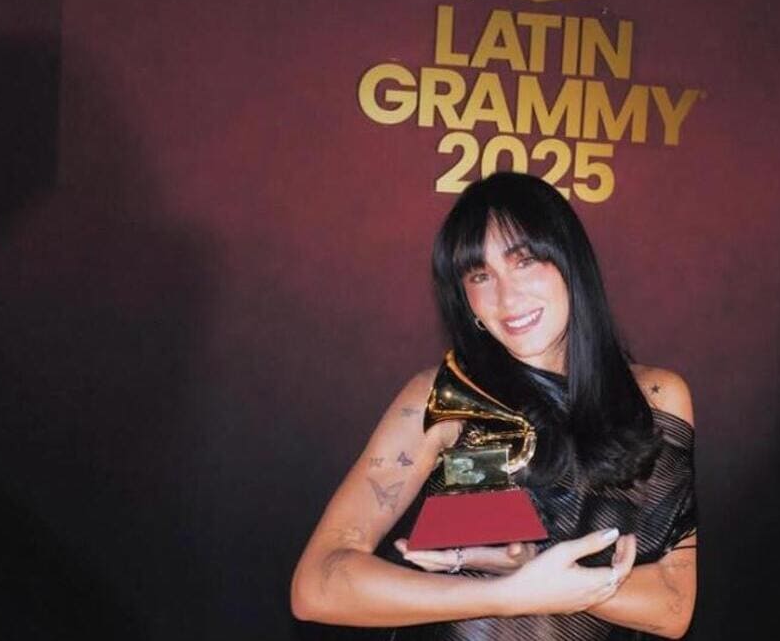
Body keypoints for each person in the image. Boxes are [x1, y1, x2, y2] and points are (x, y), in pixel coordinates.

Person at [291, 172, 696, 639]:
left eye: (524, 263)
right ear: (467, 301)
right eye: (481, 276)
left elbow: (673, 604)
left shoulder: (656, 398)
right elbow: (316, 585)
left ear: (570, 264)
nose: (507, 297)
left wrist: (536, 566)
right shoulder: (444, 398)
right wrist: (511, 593)